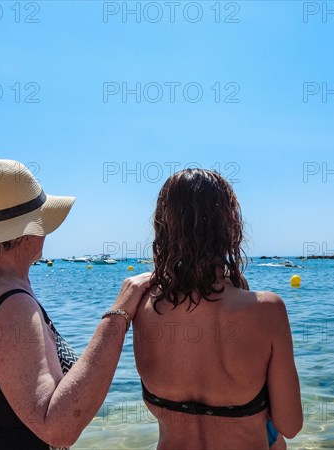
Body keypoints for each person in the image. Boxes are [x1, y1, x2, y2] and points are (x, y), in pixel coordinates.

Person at [0, 159, 150, 450]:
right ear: (26, 232)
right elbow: (58, 429)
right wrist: (118, 315)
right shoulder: (11, 305)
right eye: (42, 222)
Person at [133, 169, 303, 449]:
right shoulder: (267, 310)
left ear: (163, 227)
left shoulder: (141, 306)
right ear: (231, 226)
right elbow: (290, 425)